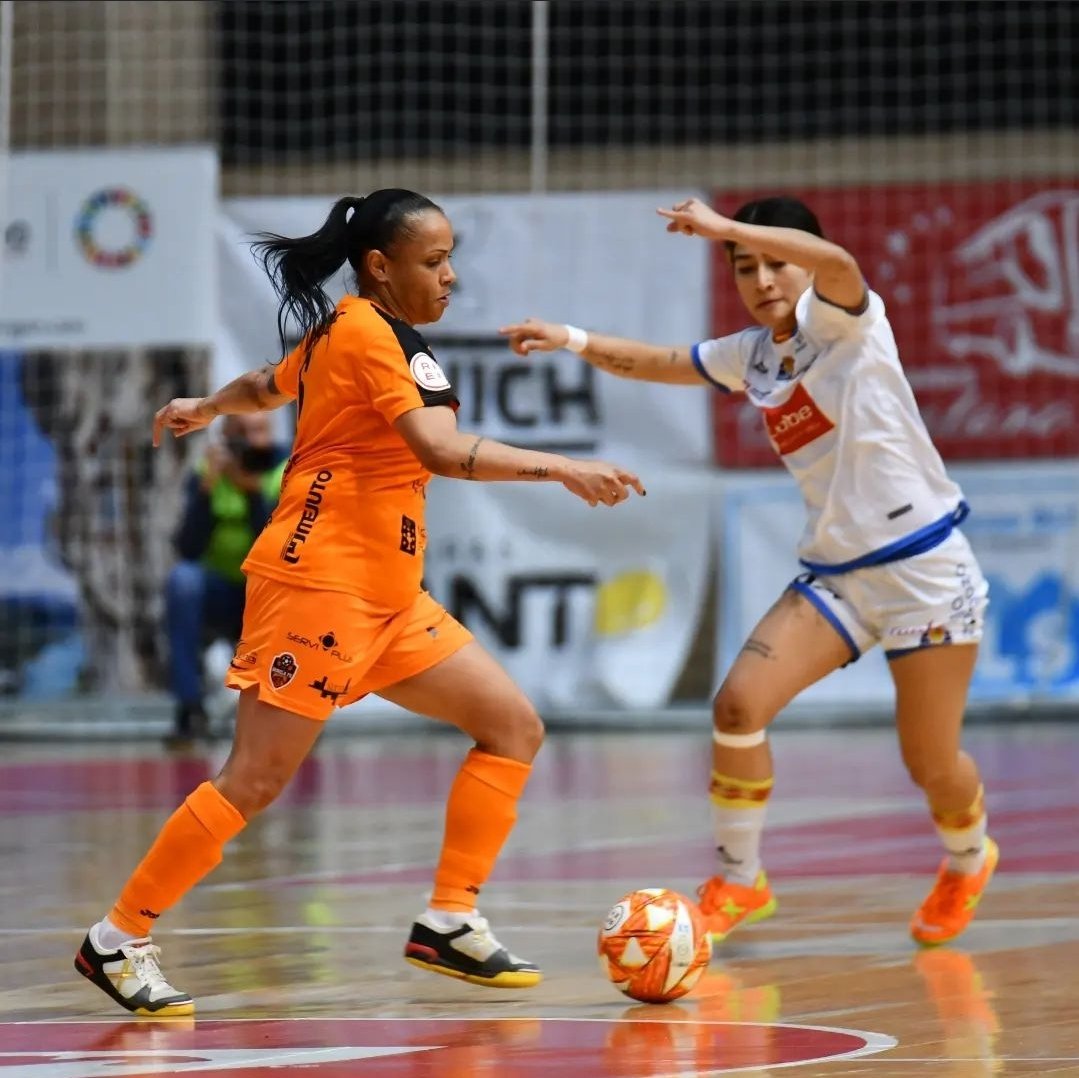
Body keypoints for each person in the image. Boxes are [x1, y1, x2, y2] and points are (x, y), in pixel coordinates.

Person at [74, 188, 644, 1016]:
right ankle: (116, 939)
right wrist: (561, 466)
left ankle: (448, 919)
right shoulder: (369, 334)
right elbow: (438, 451)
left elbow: (270, 384)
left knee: (512, 727)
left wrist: (210, 405)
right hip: (320, 590)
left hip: (390, 599)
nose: (450, 276)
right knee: (255, 781)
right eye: (433, 260)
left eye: (452, 258)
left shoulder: (354, 333)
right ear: (380, 266)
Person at [499, 195, 996, 951]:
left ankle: (968, 855)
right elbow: (661, 363)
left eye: (774, 262)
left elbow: (841, 265)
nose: (761, 279)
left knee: (929, 761)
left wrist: (728, 228)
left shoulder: (844, 319)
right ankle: (740, 881)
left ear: (805, 260)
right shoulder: (753, 355)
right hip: (837, 576)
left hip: (923, 571)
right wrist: (568, 337)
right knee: (735, 706)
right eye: (743, 268)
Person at [165, 412, 287, 742]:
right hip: (219, 590)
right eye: (241, 432)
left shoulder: (286, 472)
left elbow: (276, 546)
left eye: (257, 431)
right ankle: (190, 707)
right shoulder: (208, 471)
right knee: (182, 580)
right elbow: (188, 548)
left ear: (271, 434)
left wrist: (250, 489)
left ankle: (289, 709)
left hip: (266, 592)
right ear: (226, 434)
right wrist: (207, 489)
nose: (249, 440)